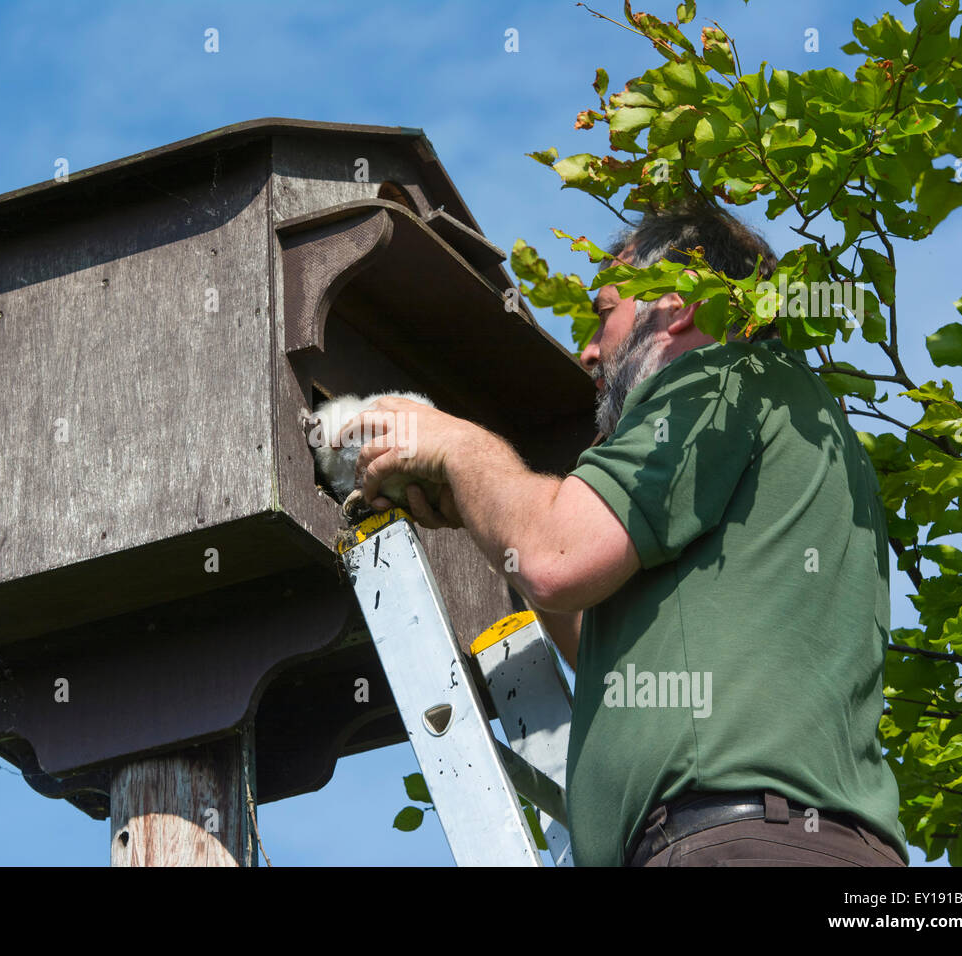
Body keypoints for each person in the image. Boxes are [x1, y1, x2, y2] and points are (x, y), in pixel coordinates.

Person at [345, 197, 909, 867]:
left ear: (681, 306)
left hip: (735, 847)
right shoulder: (785, 426)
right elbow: (615, 662)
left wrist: (460, 447)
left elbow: (557, 558)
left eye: (605, 313)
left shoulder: (722, 382)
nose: (587, 350)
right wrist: (488, 506)